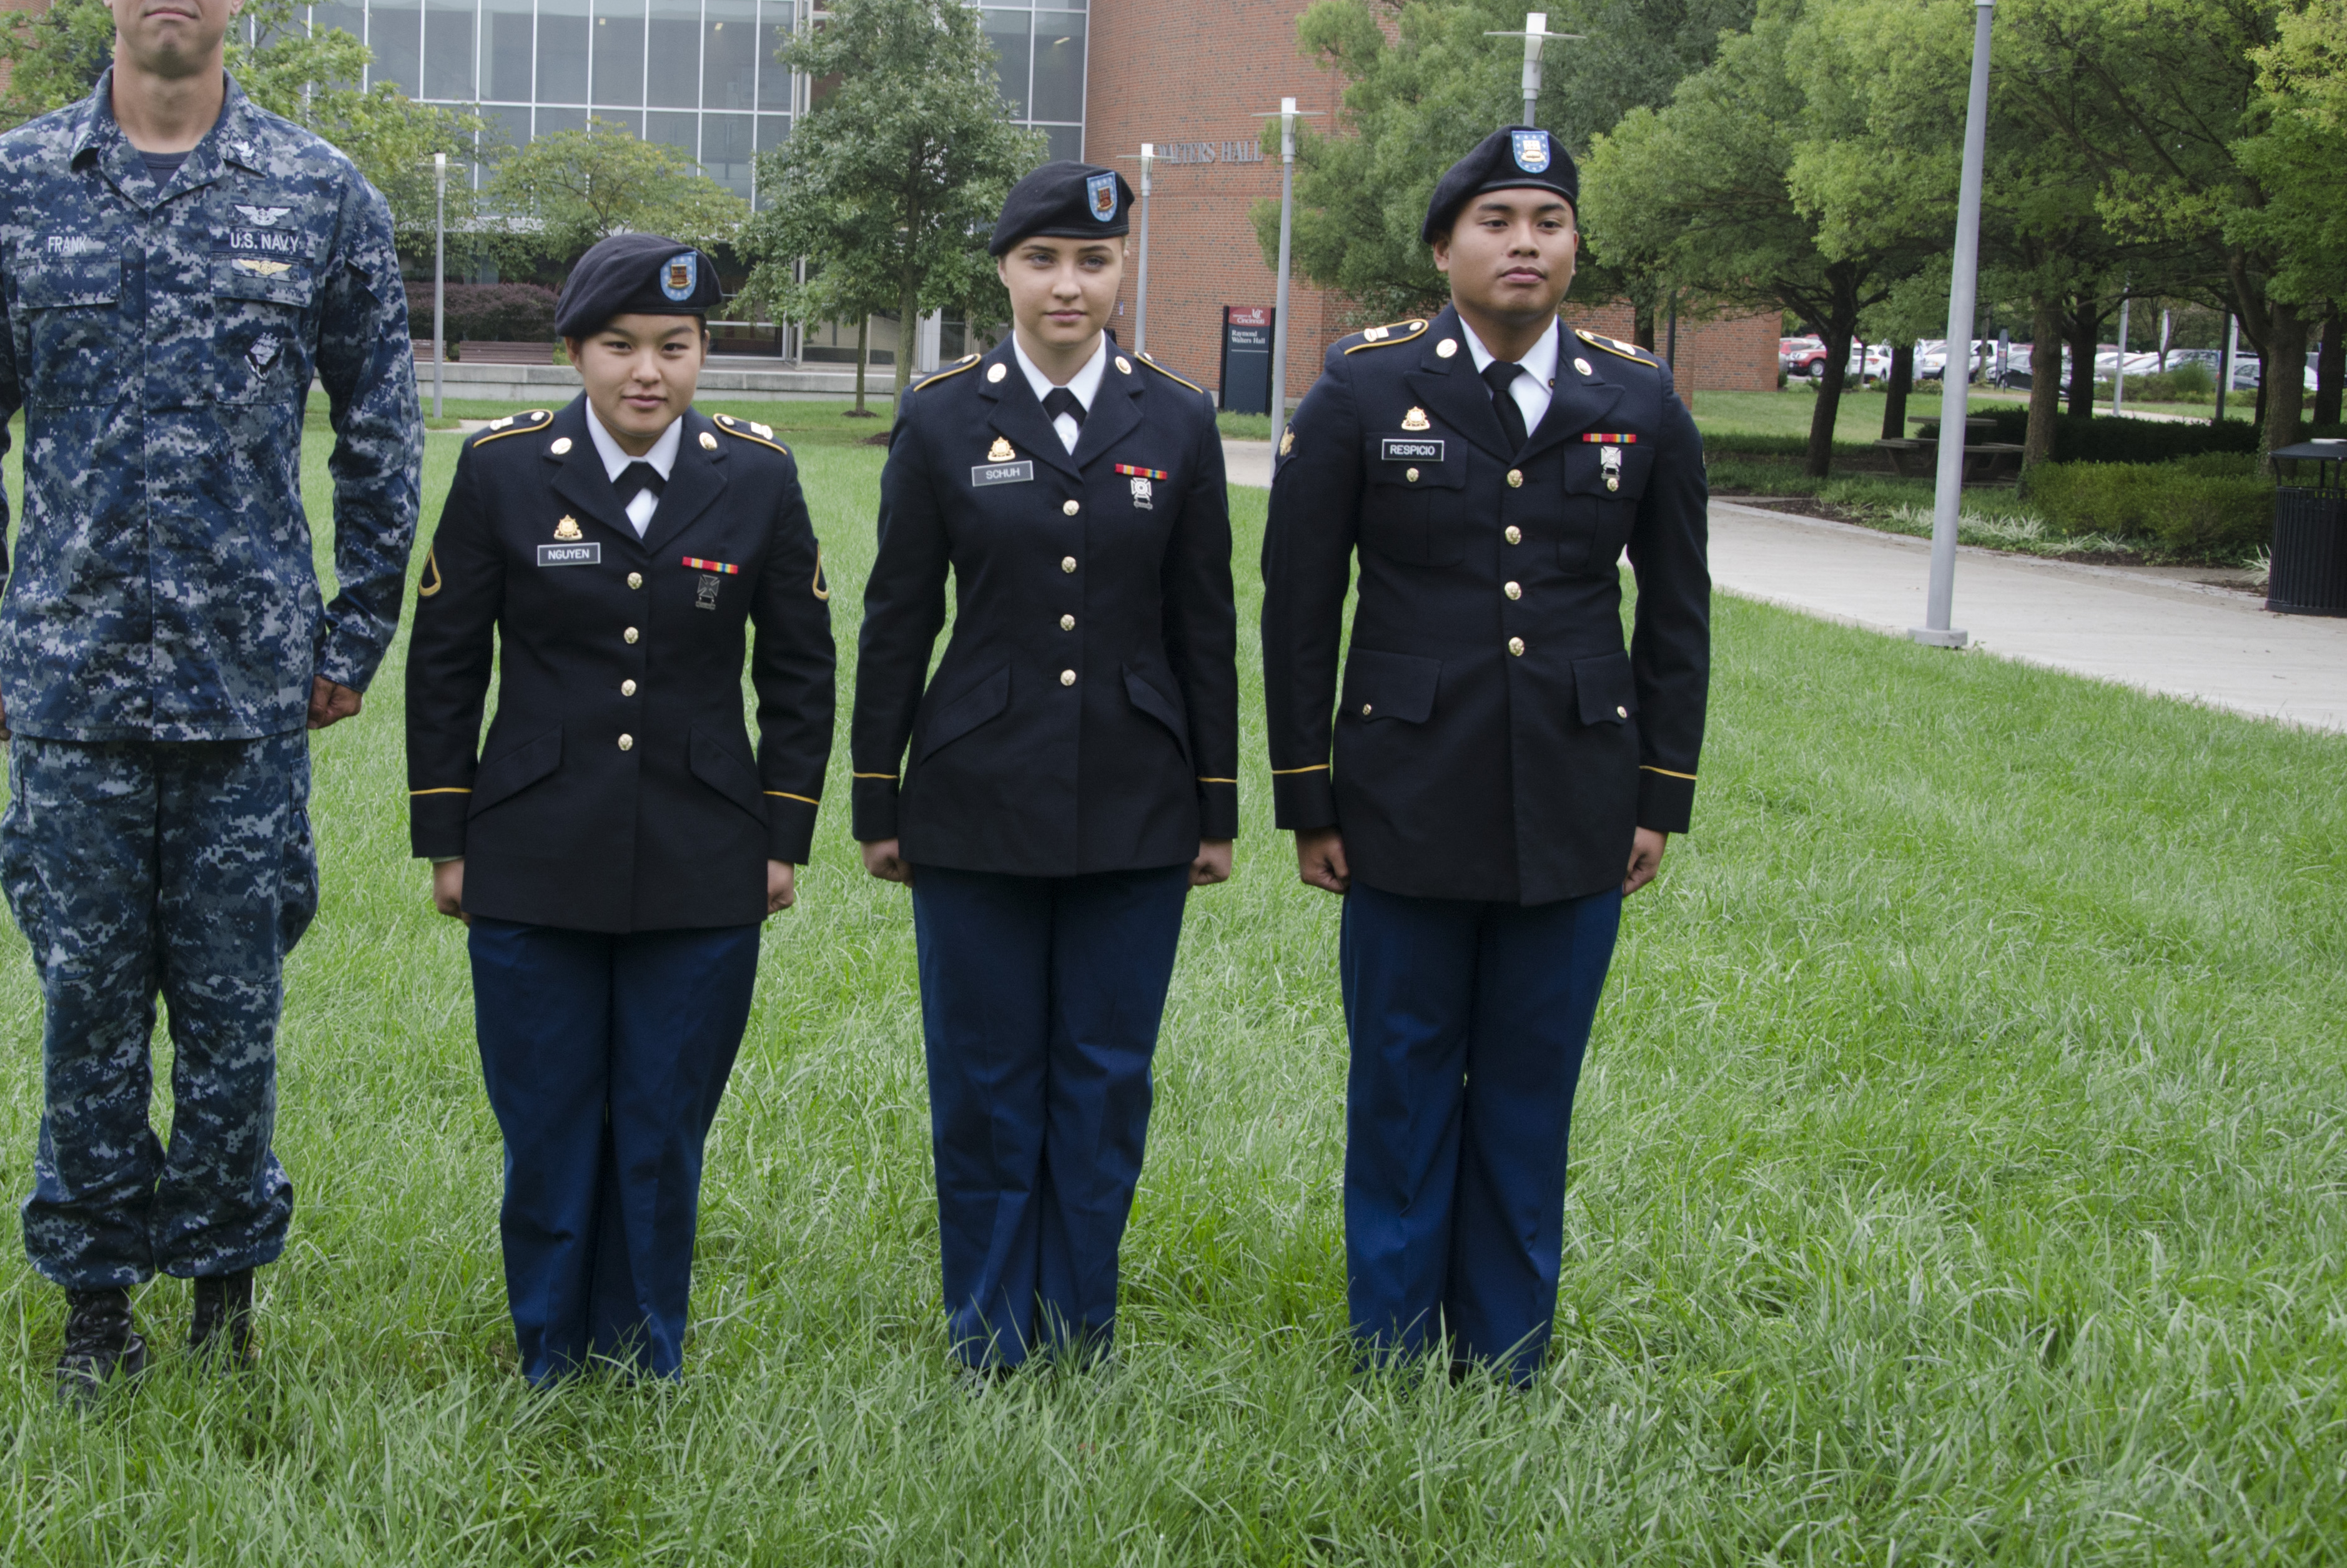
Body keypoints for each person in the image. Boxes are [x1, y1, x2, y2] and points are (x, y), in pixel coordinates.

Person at [0, 0, 423, 1399]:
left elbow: (385, 431)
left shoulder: (319, 195)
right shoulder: (6, 189)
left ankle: (221, 1294)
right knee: (85, 1009)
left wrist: (349, 641)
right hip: (65, 686)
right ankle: (92, 1308)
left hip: (246, 693)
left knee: (232, 1012)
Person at [1259, 126, 1709, 1385]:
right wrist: (1308, 798)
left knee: (1528, 1089)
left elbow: (1676, 615)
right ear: (1445, 246)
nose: (1526, 244)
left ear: (1573, 247)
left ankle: (1507, 1350)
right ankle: (1395, 1348)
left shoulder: (1638, 395)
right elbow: (1298, 607)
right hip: (1399, 793)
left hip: (1576, 794)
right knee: (1400, 1086)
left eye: (1548, 222)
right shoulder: (1360, 389)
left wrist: (1658, 796)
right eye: (1498, 221)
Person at [402, 232, 835, 1383]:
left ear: (703, 355)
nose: (649, 371)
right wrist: (447, 838)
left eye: (676, 347)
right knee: (547, 1121)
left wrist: (782, 833)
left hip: (705, 855)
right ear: (576, 352)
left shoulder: (757, 477)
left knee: (660, 1125)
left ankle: (644, 1349)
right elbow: (446, 664)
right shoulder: (502, 470)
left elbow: (800, 670)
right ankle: (549, 1347)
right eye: (620, 346)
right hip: (532, 848)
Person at [850, 162, 1238, 1371]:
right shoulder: (941, 416)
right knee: (983, 1079)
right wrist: (877, 796)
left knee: (1106, 1078)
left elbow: (1202, 625)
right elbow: (898, 616)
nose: (1067, 285)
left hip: (1137, 792)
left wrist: (1215, 805)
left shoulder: (1175, 418)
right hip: (974, 794)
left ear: (1122, 272)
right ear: (1003, 271)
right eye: (1042, 260)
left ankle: (1079, 1324)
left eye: (1093, 261)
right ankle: (986, 1327)